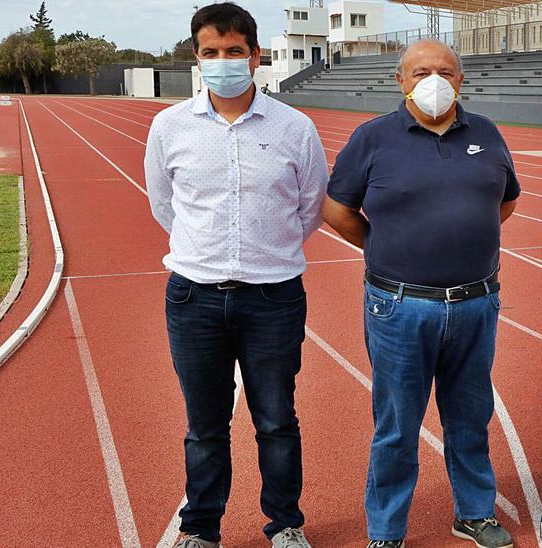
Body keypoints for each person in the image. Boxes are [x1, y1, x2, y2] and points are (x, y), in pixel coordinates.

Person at [321, 39, 519, 548]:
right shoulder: (373, 138)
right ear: (401, 81)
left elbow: (506, 202)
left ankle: (474, 513)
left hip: (475, 303)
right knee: (397, 424)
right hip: (399, 306)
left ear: (461, 80)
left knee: (471, 417)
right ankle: (386, 530)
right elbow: (337, 209)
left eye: (446, 72)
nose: (435, 80)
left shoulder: (488, 134)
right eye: (422, 71)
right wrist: (383, 247)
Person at [144, 3, 327, 548]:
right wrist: (208, 253)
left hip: (273, 297)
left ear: (255, 55)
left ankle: (285, 525)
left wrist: (263, 253)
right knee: (204, 426)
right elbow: (164, 205)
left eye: (233, 51)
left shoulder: (295, 128)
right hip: (193, 298)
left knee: (276, 420)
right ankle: (201, 528)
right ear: (197, 58)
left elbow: (310, 207)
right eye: (210, 53)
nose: (222, 61)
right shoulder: (168, 126)